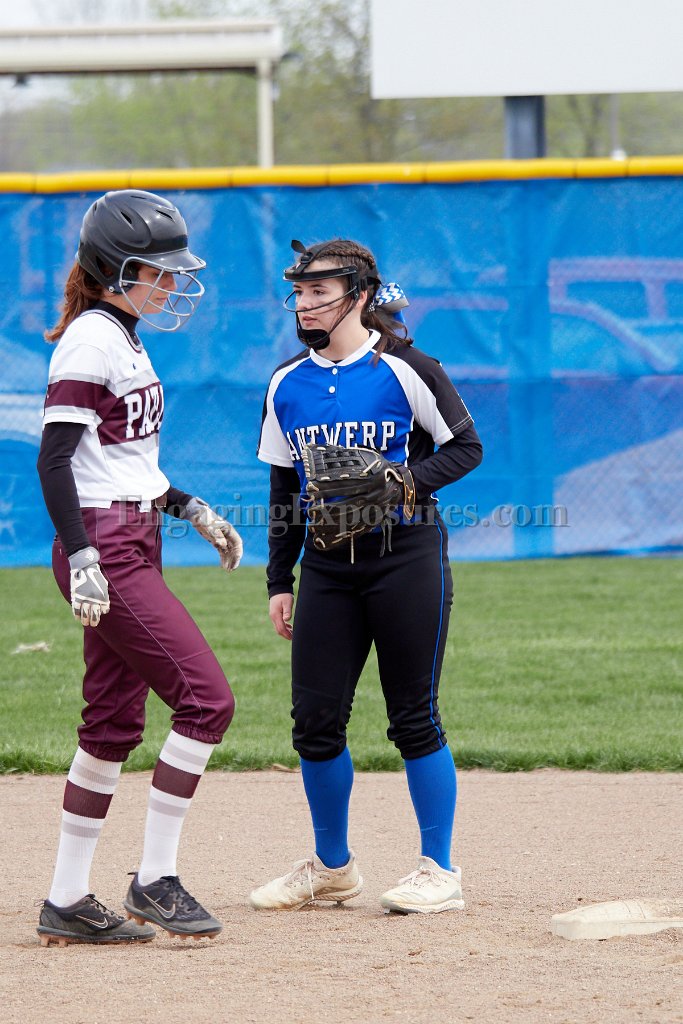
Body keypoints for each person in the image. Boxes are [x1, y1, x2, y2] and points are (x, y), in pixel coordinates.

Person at [36, 189, 242, 946]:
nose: (172, 282)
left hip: (129, 535)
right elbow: (55, 462)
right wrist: (84, 555)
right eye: (157, 270)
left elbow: (121, 461)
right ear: (113, 268)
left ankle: (66, 898)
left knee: (113, 724)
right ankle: (155, 879)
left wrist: (188, 506)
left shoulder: (121, 336)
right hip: (104, 545)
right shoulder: (92, 341)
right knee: (206, 701)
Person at [251, 238, 483, 914]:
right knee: (314, 722)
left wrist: (403, 481)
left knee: (413, 718)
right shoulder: (285, 383)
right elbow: (283, 490)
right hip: (326, 570)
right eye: (298, 292)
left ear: (357, 296)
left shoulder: (407, 368)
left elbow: (466, 447)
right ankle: (332, 868)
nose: (303, 304)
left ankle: (438, 870)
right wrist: (279, 580)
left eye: (318, 291)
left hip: (404, 559)